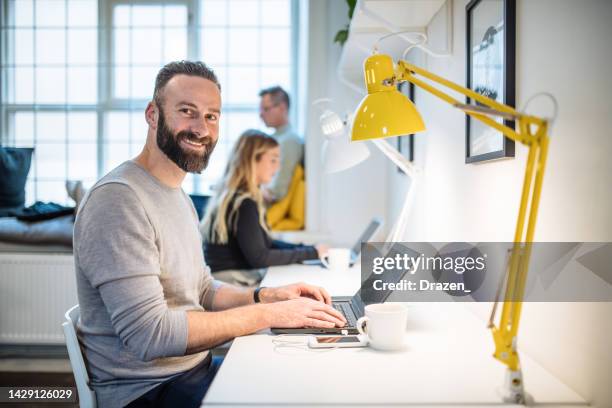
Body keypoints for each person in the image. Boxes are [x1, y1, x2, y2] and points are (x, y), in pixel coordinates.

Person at [73, 61, 346, 408]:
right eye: (187, 111)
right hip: (149, 391)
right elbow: (150, 336)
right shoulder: (118, 200)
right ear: (152, 114)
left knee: (306, 380)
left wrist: (267, 297)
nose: (201, 128)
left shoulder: (177, 195)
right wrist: (269, 316)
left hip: (192, 372)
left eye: (211, 116)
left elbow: (203, 289)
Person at [201, 129, 327, 275]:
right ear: (252, 160)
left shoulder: (236, 196)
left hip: (227, 277)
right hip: (232, 280)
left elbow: (267, 244)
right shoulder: (244, 203)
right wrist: (311, 253)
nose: (278, 167)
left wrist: (310, 250)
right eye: (273, 160)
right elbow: (260, 257)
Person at [258, 86, 303, 203]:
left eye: (266, 109)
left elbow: (277, 190)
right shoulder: (275, 139)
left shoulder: (290, 141)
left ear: (282, 108)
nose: (261, 114)